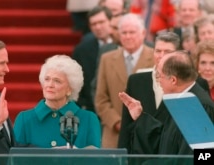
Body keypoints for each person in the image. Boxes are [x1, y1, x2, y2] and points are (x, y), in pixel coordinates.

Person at [118, 32, 209, 154]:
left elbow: (201, 156)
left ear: (173, 80)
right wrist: (141, 117)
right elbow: (165, 140)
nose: (158, 81)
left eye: (160, 76)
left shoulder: (195, 106)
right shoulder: (182, 100)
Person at [14, 55, 101, 148]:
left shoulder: (89, 119)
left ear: (69, 89)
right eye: (47, 79)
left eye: (57, 81)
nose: (50, 85)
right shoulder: (24, 119)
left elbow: (95, 159)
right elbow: (15, 159)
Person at [95, 13, 154, 148]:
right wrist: (116, 122)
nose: (128, 36)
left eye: (132, 32)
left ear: (143, 33)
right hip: (114, 135)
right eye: (124, 32)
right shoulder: (107, 59)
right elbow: (101, 99)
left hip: (146, 134)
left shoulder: (155, 56)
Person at [72, 6, 112, 113]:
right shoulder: (82, 50)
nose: (98, 27)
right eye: (94, 24)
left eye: (101, 22)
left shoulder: (122, 44)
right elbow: (75, 81)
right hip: (91, 108)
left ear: (110, 22)